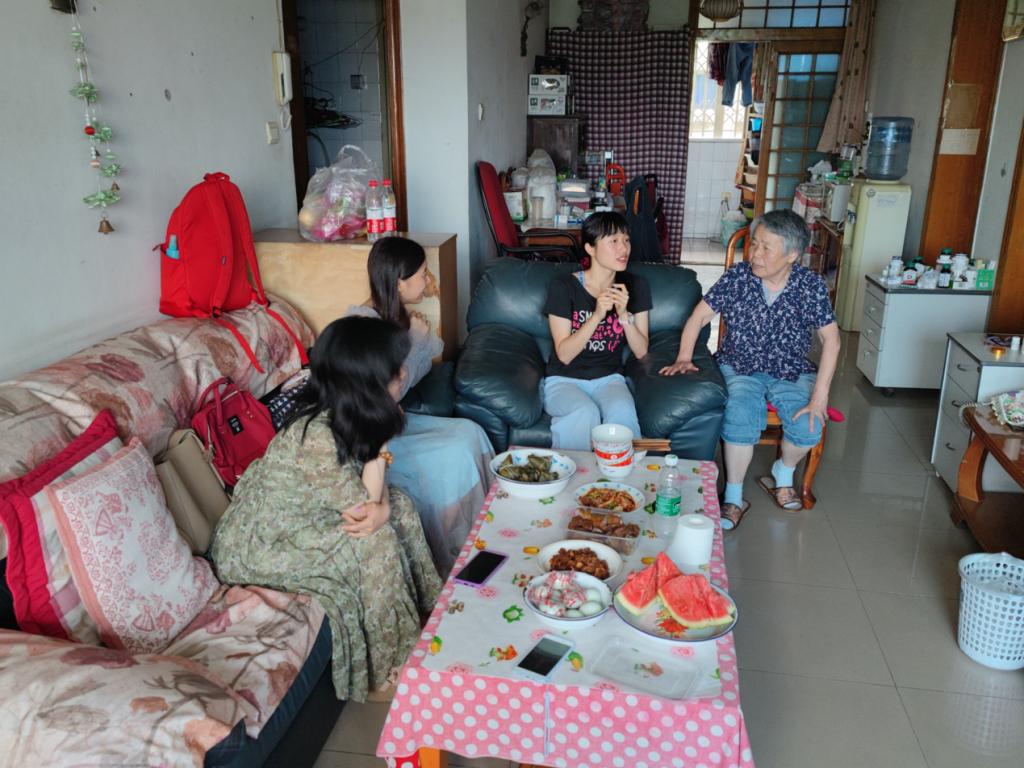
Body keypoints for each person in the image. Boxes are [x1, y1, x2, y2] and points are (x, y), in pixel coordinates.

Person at [210, 316, 442, 703]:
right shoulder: (316, 436)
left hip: (305, 517)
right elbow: (366, 513)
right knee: (374, 540)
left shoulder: (347, 409)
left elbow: (374, 498)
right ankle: (389, 666)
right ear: (369, 383)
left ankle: (428, 609)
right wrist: (381, 449)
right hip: (262, 545)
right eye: (395, 369)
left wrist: (383, 500)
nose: (403, 373)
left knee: (398, 504)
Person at [660, 209, 840, 530]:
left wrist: (820, 396)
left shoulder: (810, 285)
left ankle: (783, 473)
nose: (755, 254)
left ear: (792, 255)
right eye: (754, 243)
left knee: (808, 425)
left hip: (790, 369)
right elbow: (700, 316)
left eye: (766, 247)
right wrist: (684, 356)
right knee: (740, 414)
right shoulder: (738, 277)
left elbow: (832, 340)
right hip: (739, 365)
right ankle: (733, 497)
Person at [346, 237, 494, 575]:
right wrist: (414, 339)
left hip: (393, 421)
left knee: (471, 432)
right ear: (400, 282)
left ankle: (486, 532)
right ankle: (453, 557)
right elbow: (390, 393)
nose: (428, 281)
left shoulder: (395, 315)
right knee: (453, 456)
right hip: (368, 431)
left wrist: (416, 337)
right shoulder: (363, 324)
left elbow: (419, 369)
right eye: (423, 274)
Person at [543, 211, 652, 450]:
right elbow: (564, 355)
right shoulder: (564, 286)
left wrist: (624, 315)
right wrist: (597, 316)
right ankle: (571, 472)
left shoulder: (636, 286)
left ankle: (622, 473)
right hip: (563, 380)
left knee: (622, 412)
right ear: (590, 248)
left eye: (626, 240)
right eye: (613, 241)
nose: (623, 248)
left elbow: (641, 351)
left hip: (609, 379)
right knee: (585, 412)